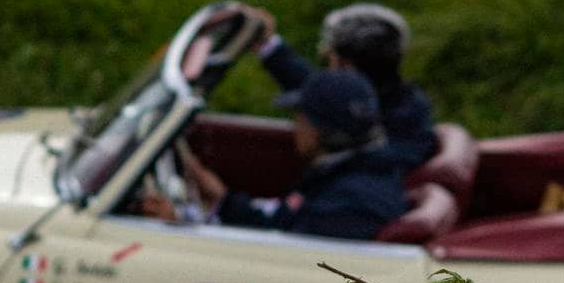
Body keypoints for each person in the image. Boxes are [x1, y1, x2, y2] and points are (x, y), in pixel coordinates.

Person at [149, 69, 410, 240]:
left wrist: (180, 229)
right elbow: (282, 222)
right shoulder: (346, 177)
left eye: (302, 119)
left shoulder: (351, 202)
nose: (296, 128)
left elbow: (282, 252)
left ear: (324, 131)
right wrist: (223, 200)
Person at [253, 2, 437, 172]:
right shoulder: (399, 105)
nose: (327, 65)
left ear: (347, 66)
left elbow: (322, 95)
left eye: (330, 57)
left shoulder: (383, 134)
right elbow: (319, 92)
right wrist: (267, 44)